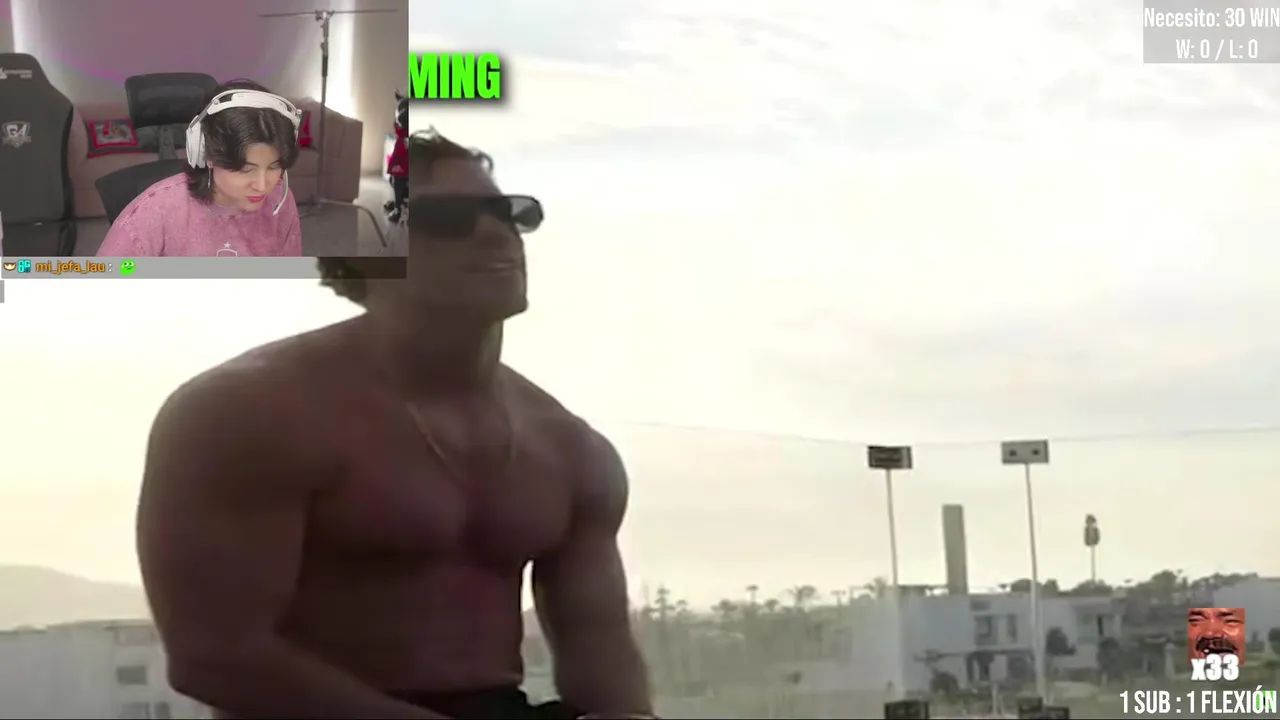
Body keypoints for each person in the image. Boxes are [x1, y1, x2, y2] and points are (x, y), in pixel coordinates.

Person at [136, 129, 654, 719]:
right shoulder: (248, 414)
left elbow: (600, 650)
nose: (495, 234)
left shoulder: (568, 448)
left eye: (508, 212)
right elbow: (218, 656)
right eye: (446, 220)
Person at [96, 79, 302, 257]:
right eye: (246, 169)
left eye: (274, 167)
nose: (263, 186)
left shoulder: (279, 199)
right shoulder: (153, 212)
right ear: (207, 154)